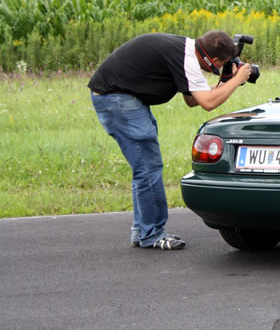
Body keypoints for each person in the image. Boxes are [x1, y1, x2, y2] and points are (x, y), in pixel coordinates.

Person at [88, 31, 251, 250]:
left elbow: (192, 99)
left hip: (120, 97)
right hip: (118, 98)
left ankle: (142, 230)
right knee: (148, 167)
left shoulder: (186, 51)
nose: (221, 68)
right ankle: (152, 234)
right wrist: (237, 80)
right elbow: (208, 103)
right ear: (213, 60)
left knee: (144, 167)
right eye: (222, 64)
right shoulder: (187, 59)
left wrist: (226, 83)